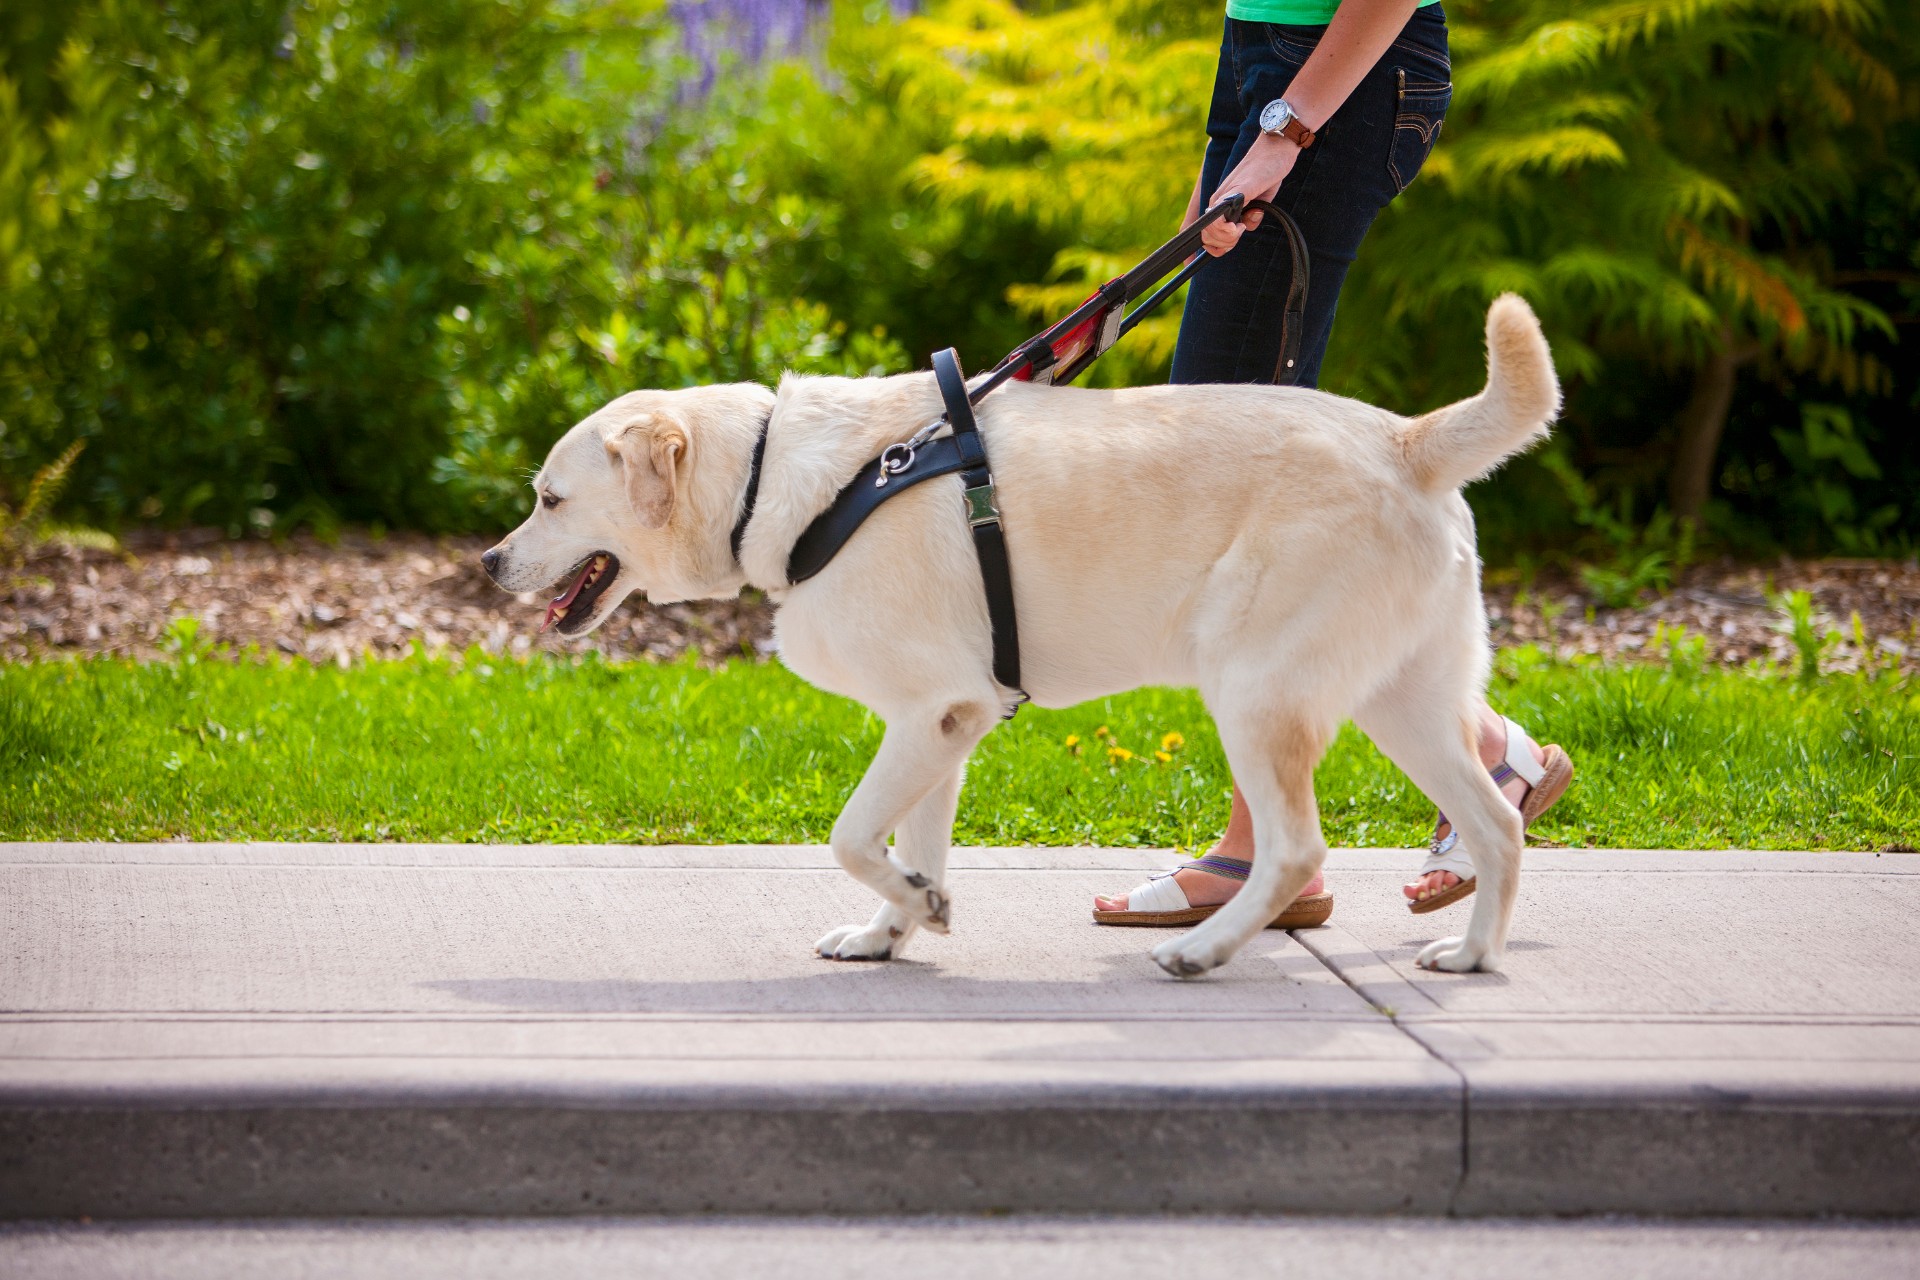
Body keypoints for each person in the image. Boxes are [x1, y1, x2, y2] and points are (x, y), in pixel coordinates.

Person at [1092, 0, 1574, 927]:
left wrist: (1289, 125)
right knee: (1219, 465)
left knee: (1242, 484)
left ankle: (1265, 852)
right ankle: (1484, 753)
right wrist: (1236, 132)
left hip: (1341, 68)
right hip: (1270, 64)